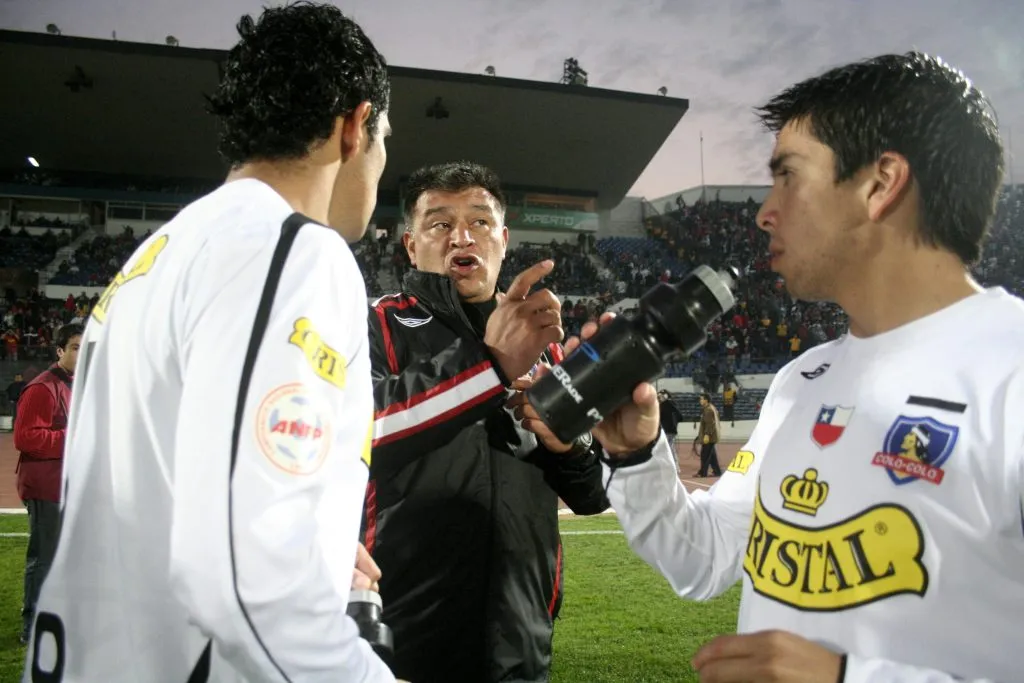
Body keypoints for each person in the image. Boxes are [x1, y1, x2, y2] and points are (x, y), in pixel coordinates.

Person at [523, 51, 1022, 682]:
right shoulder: (802, 379)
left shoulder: (1010, 372)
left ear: (880, 184)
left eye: (789, 176)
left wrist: (848, 677)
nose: (764, 211)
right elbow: (704, 559)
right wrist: (637, 455)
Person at [23, 4, 401, 682]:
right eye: (385, 141)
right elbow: (247, 584)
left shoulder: (163, 250)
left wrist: (305, 538)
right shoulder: (295, 250)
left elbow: (180, 485)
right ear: (354, 125)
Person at [365, 161, 609, 683]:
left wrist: (571, 447)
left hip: (522, 637)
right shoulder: (375, 323)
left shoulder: (543, 349)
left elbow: (592, 495)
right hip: (402, 636)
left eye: (479, 221)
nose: (461, 237)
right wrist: (488, 366)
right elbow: (361, 433)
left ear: (502, 238)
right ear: (411, 245)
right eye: (440, 223)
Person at [13, 324, 81, 645]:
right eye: (75, 347)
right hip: (46, 487)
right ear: (59, 351)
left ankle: (56, 617)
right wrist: (76, 436)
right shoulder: (42, 388)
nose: (82, 353)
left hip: (68, 486)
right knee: (43, 558)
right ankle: (33, 623)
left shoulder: (77, 384)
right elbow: (26, 438)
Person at [695, 392, 722, 477]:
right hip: (712, 436)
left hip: (709, 437)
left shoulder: (708, 410)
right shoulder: (711, 408)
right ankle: (717, 471)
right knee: (712, 456)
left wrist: (706, 434)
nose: (700, 400)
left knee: (705, 455)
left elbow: (710, 424)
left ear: (706, 400)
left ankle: (703, 473)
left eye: (701, 399)